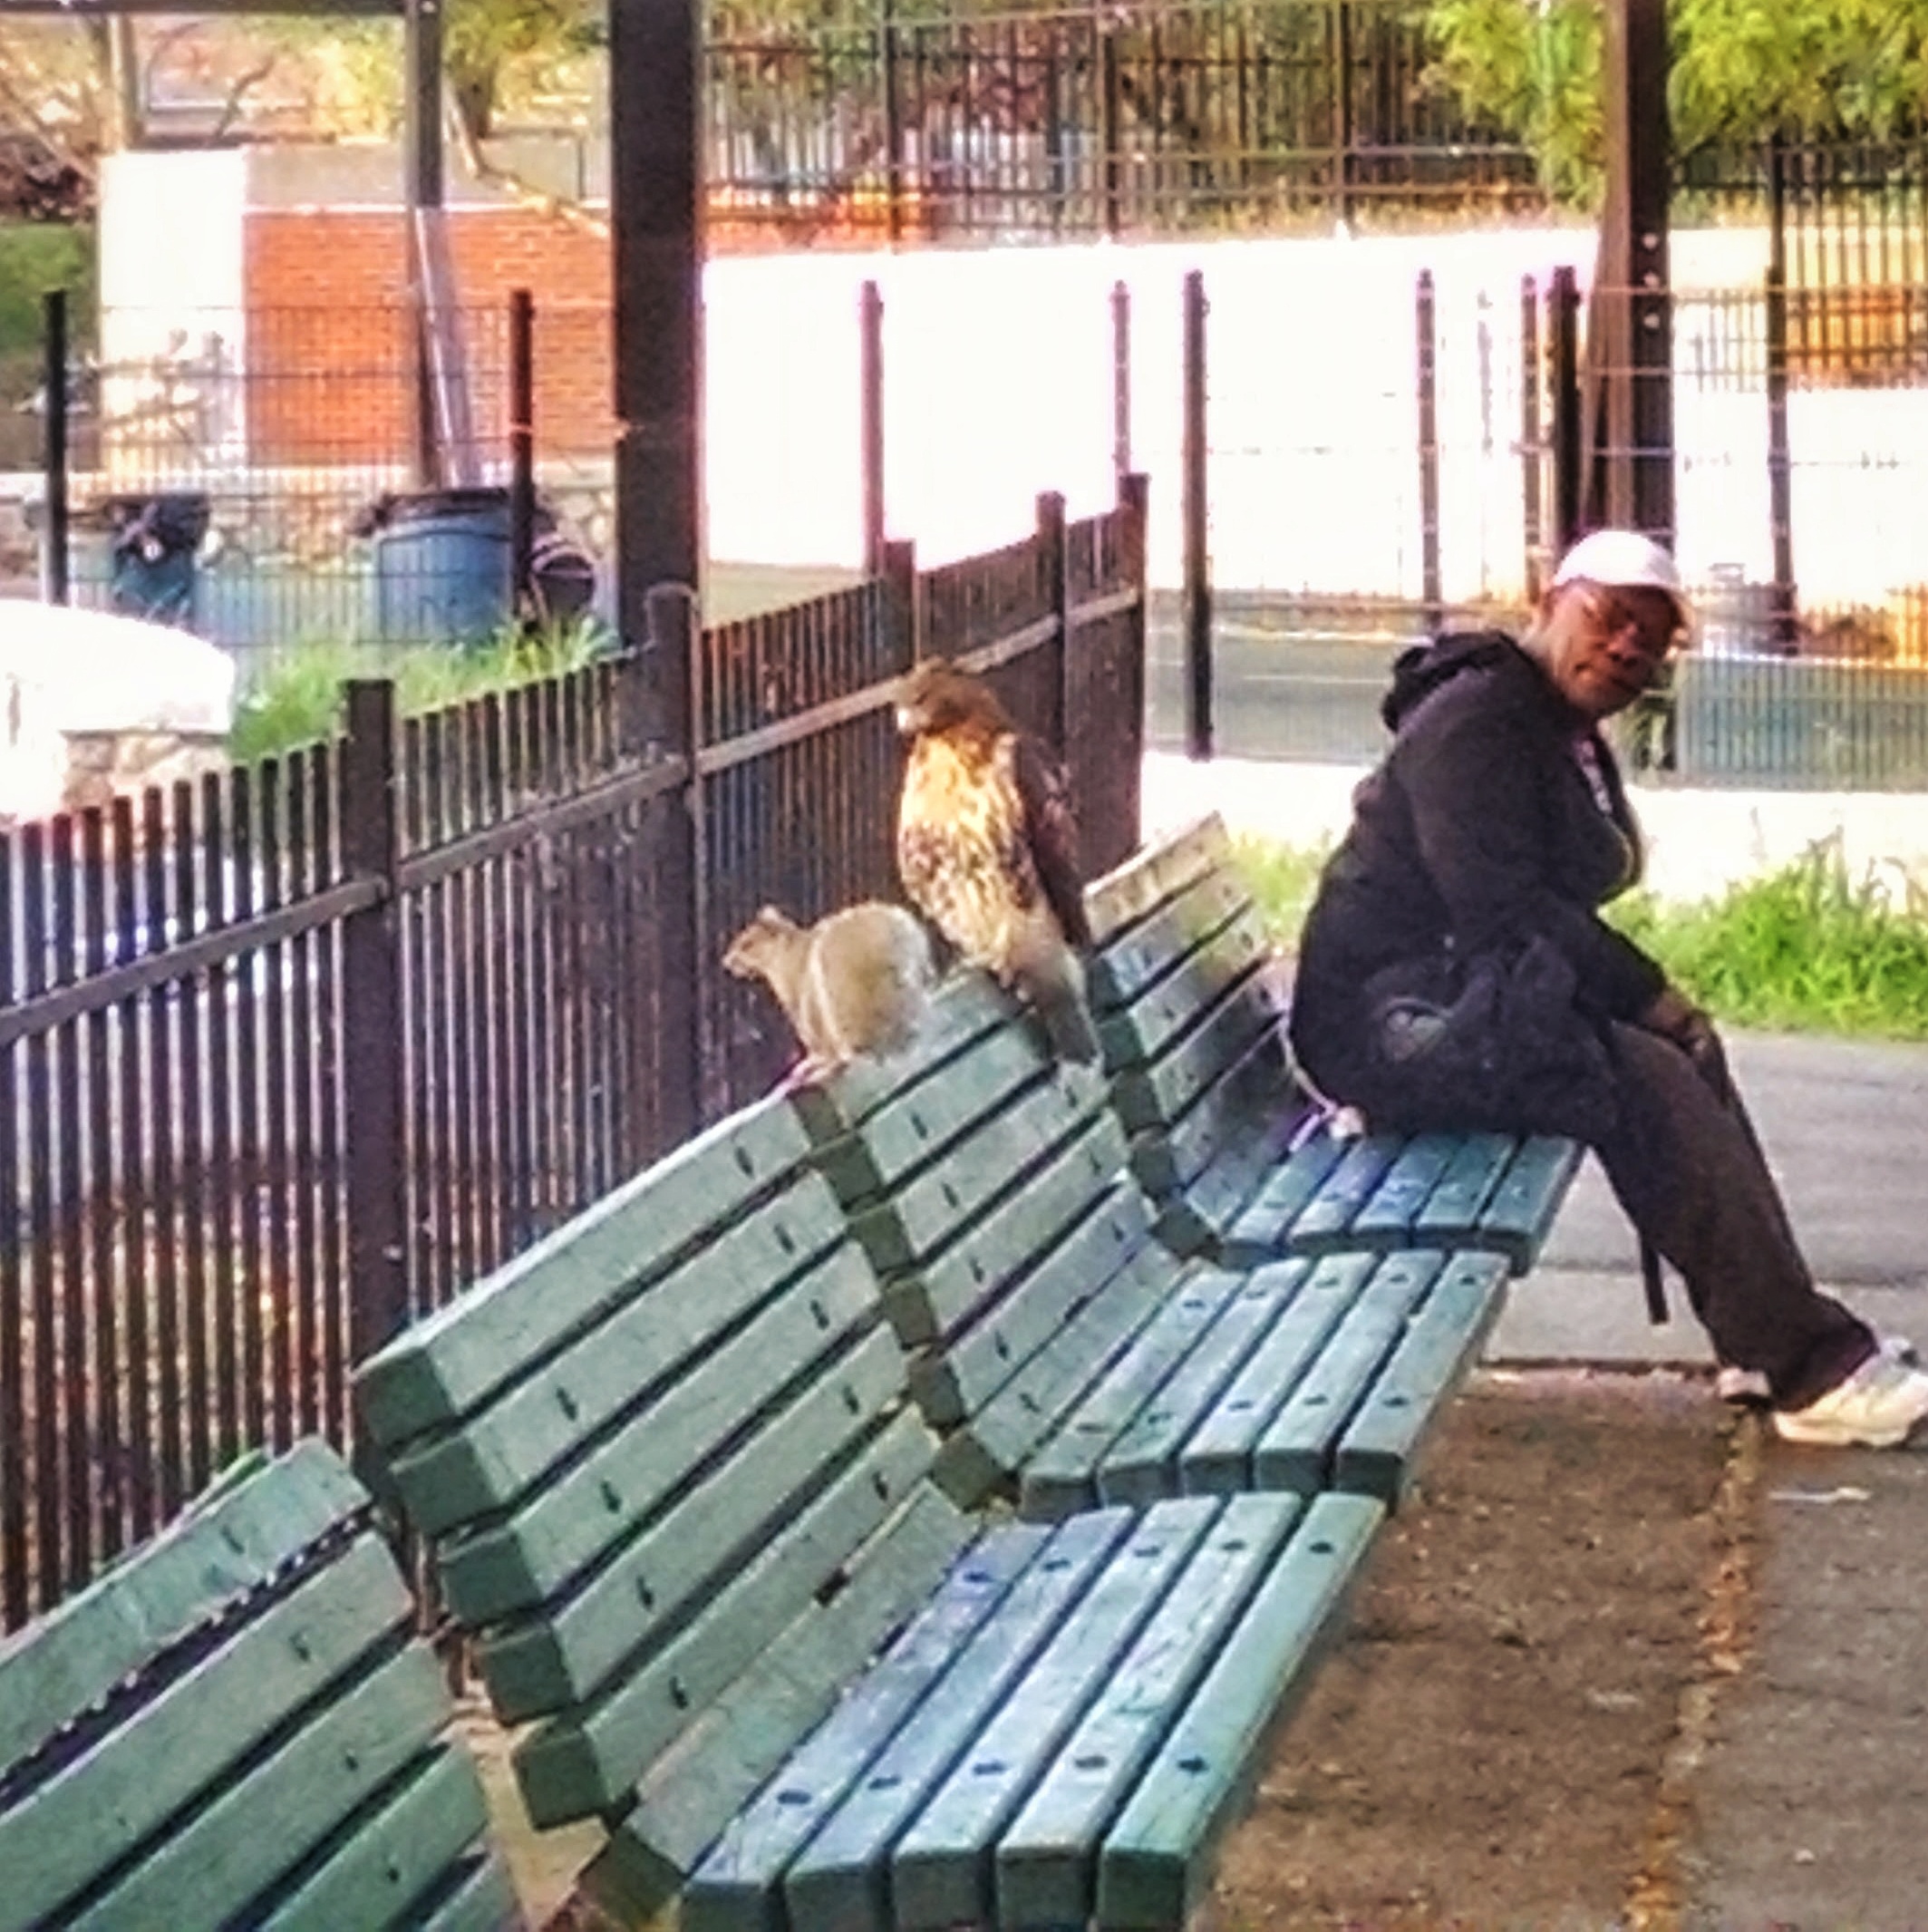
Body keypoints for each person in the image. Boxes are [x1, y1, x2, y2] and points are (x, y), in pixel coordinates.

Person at [1288, 528, 1928, 1449]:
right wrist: (1641, 990)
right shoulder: (1474, 720)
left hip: (1456, 994)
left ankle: (1765, 1336)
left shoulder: (1549, 721)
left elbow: (1546, 898)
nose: (1628, 647)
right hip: (1386, 1026)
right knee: (1638, 1072)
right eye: (1610, 617)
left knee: (1680, 1049)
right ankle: (1805, 1372)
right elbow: (1501, 907)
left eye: (1653, 638)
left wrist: (1649, 1002)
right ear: (1549, 602)